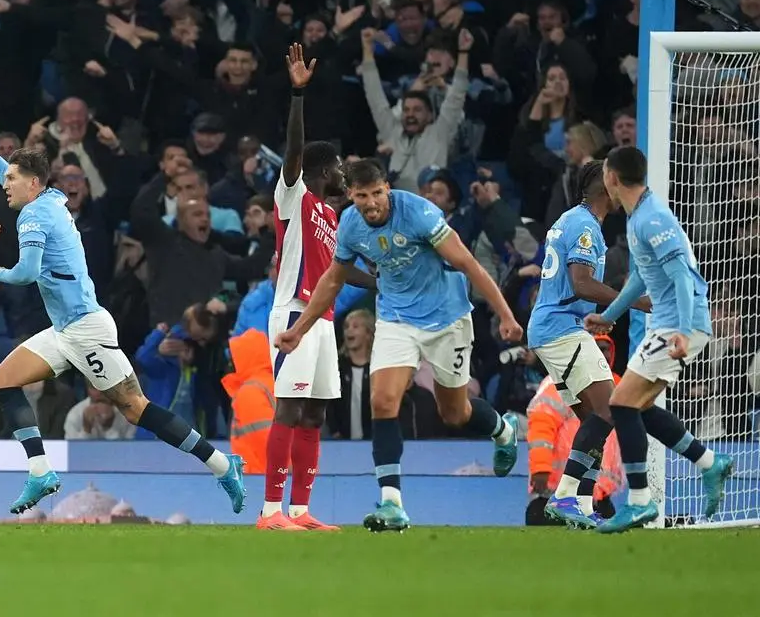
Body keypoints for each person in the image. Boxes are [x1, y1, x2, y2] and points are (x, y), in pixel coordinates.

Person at [0, 114, 247, 515]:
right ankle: (41, 473)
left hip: (85, 329)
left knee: (135, 408)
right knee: (4, 380)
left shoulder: (34, 217)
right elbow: (1, 169)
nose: (4, 184)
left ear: (33, 183)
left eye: (11, 180)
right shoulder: (52, 198)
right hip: (64, 328)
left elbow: (26, 273)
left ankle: (221, 464)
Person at [274, 159, 524, 532]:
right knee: (383, 401)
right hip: (395, 319)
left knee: (454, 413)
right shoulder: (351, 226)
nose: (371, 202)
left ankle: (503, 431)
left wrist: (505, 315)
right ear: (352, 196)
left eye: (377, 193)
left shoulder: (420, 213)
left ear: (387, 188)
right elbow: (332, 280)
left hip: (446, 318)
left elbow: (469, 264)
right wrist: (299, 330)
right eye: (362, 195)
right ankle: (392, 504)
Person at [584, 146, 734, 533]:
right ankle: (708, 463)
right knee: (640, 408)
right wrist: (609, 316)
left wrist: (683, 331)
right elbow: (640, 278)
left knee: (620, 403)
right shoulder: (639, 219)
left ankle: (638, 501)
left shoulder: (652, 219)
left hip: (677, 326)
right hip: (668, 324)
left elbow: (683, 277)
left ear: (612, 178)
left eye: (604, 175)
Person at [259, 44, 374, 532]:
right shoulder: (296, 195)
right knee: (288, 406)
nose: (346, 174)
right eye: (341, 168)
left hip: (322, 322)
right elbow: (293, 152)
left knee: (314, 413)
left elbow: (341, 272)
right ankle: (270, 512)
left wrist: (386, 281)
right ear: (323, 170)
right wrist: (297, 95)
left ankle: (301, 510)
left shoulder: (334, 217)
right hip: (293, 314)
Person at [527, 160, 651, 529]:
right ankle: (566, 495)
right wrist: (633, 301)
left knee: (593, 418)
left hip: (555, 326)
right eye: (617, 182)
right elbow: (581, 283)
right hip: (561, 328)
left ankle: (579, 501)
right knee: (611, 409)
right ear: (605, 186)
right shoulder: (584, 226)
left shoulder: (574, 220)